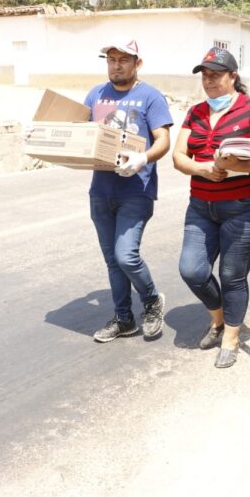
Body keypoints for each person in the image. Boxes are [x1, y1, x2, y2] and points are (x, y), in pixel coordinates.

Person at [173, 47, 250, 369]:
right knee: (192, 269)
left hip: (243, 206)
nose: (209, 82)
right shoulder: (195, 112)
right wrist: (204, 168)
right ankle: (218, 319)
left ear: (233, 76)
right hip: (201, 205)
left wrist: (234, 163)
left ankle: (230, 336)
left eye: (215, 75)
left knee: (232, 276)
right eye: (204, 76)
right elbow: (179, 157)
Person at [84, 39, 173, 343]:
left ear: (138, 63)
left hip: (137, 189)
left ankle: (151, 301)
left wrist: (143, 157)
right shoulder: (95, 94)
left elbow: (163, 139)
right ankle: (124, 319)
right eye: (111, 59)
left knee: (126, 256)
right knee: (112, 260)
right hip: (101, 189)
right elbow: (79, 133)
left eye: (123, 59)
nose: (116, 65)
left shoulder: (150, 97)